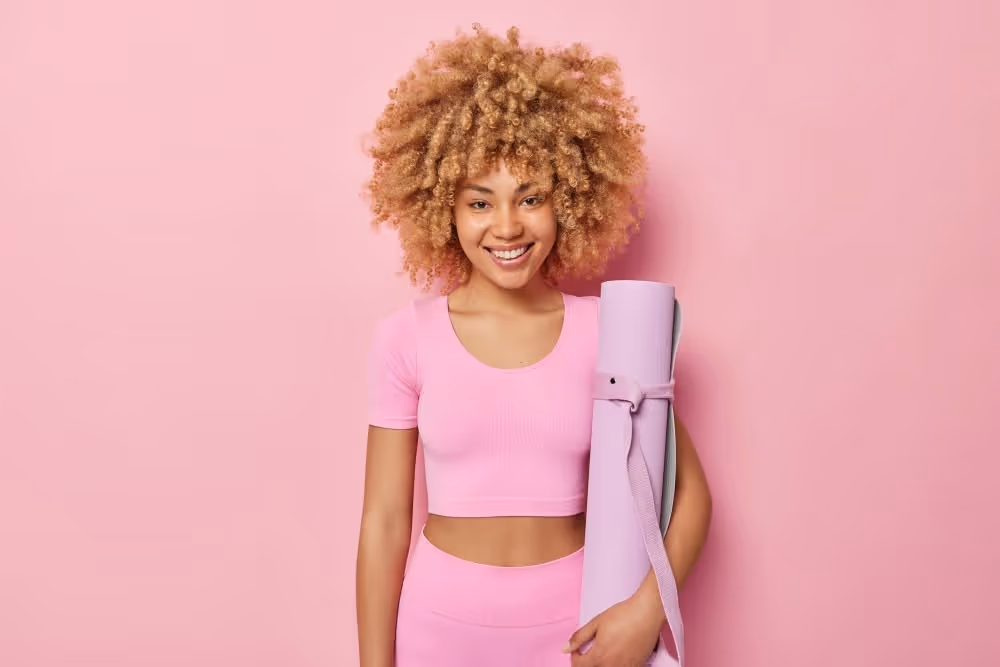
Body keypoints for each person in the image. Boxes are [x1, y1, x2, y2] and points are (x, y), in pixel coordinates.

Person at [355, 24, 712, 667]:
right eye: (480, 202)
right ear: (444, 208)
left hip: (575, 632)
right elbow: (383, 526)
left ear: (568, 200)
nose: (508, 225)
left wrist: (644, 611)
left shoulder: (611, 331)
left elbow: (692, 497)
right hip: (437, 631)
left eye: (532, 197)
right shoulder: (405, 339)